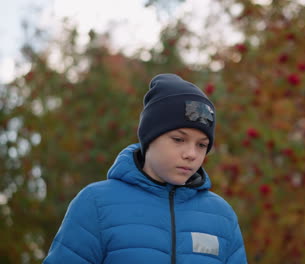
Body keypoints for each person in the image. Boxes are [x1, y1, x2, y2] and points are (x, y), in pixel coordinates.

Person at [43, 74, 247, 264]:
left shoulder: (222, 216)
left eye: (201, 145)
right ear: (149, 138)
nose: (191, 154)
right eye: (178, 139)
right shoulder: (95, 204)